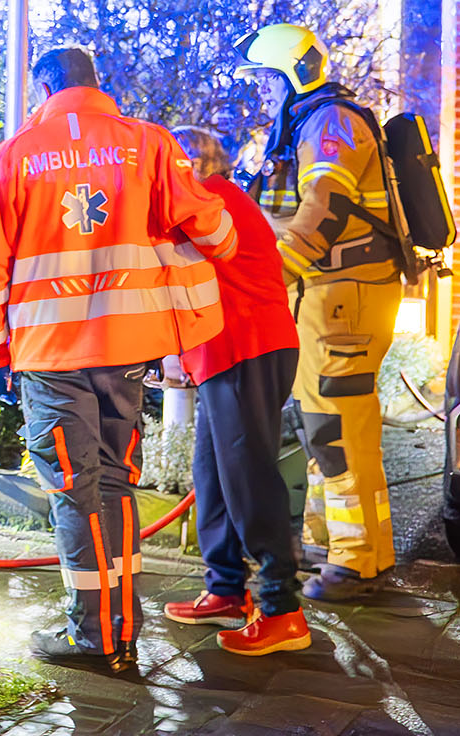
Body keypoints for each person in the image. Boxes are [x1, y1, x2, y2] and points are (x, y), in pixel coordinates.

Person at [0, 46, 237, 672]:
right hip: (127, 350)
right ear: (97, 82)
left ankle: (96, 638)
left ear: (42, 88)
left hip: (51, 352)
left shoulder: (13, 158)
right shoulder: (148, 144)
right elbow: (218, 234)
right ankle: (122, 630)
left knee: (73, 489)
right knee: (115, 484)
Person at [235, 23, 402, 603]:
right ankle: (329, 543)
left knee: (338, 427)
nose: (262, 93)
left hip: (345, 293)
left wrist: (267, 277)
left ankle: (357, 561)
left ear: (292, 73)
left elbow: (324, 208)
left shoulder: (331, 123)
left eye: (266, 80)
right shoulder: (306, 122)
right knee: (319, 423)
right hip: (327, 292)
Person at [161, 125, 308, 656]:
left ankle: (281, 609)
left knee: (248, 480)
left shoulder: (209, 202)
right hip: (229, 353)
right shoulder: (220, 200)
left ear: (189, 166)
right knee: (215, 476)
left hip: (246, 350)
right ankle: (225, 590)